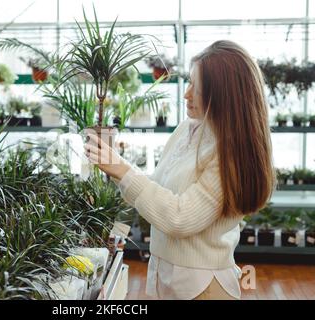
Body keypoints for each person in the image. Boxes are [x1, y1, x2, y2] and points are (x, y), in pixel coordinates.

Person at [84, 40, 276, 300]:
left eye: (197, 87)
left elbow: (180, 218)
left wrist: (120, 168)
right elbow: (157, 190)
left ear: (222, 94)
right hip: (166, 277)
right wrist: (115, 225)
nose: (186, 94)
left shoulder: (230, 154)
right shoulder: (190, 129)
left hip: (202, 287)